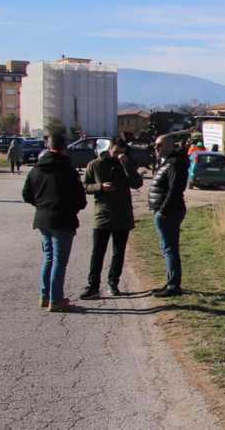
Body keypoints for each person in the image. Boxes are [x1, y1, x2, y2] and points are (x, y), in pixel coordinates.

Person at [22, 130, 87, 311]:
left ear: (48, 146)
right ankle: (56, 299)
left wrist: (41, 205)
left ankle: (45, 295)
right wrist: (73, 208)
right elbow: (81, 199)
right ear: (64, 148)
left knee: (49, 257)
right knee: (59, 260)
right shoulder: (68, 171)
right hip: (63, 219)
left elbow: (26, 194)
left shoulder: (36, 170)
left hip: (43, 219)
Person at [80, 137, 144, 299]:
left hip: (123, 215)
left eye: (122, 153)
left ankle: (113, 282)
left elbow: (137, 183)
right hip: (102, 215)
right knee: (98, 253)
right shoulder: (95, 164)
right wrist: (100, 187)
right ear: (109, 149)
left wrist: (126, 164)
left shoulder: (127, 164)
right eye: (116, 152)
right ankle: (93, 286)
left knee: (118, 252)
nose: (118, 156)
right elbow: (85, 186)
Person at [149, 134, 189, 297]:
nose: (156, 148)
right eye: (155, 145)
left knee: (169, 249)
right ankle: (171, 282)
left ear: (170, 146)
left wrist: (163, 211)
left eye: (159, 145)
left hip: (169, 213)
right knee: (168, 248)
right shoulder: (168, 162)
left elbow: (175, 189)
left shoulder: (175, 164)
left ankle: (173, 285)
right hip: (166, 212)